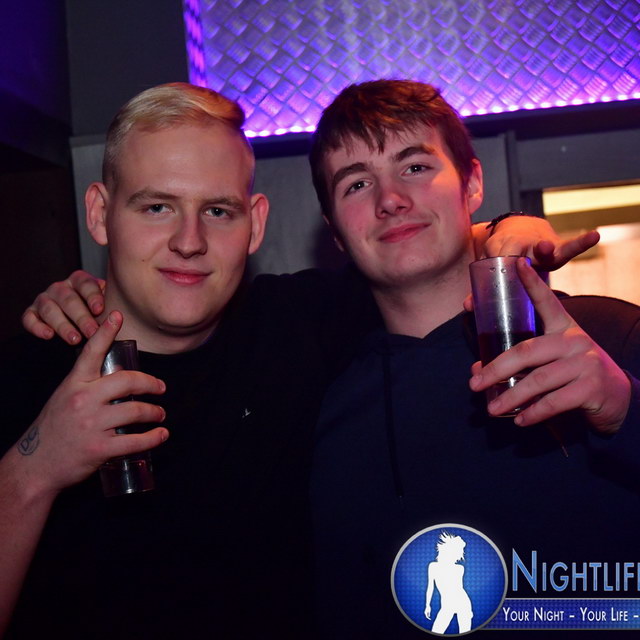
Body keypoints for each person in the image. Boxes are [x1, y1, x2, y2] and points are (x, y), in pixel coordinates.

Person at [13, 81, 600, 638]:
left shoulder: (298, 324)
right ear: (100, 213)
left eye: (217, 211)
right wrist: (35, 467)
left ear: (255, 224)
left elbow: (409, 244)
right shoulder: (28, 371)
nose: (188, 241)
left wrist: (508, 231)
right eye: (156, 208)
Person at [307, 80, 640, 638]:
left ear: (473, 183)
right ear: (336, 233)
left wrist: (627, 410)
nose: (390, 199)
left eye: (415, 167)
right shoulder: (322, 407)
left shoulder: (605, 335)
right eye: (357, 183)